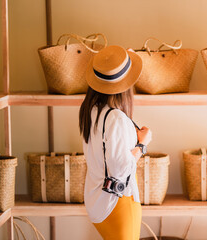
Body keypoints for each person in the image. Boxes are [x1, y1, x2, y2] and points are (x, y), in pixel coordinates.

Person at [79, 45, 152, 239]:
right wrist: (142, 145)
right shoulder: (117, 119)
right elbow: (120, 168)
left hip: (97, 200)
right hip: (117, 202)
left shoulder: (91, 111)